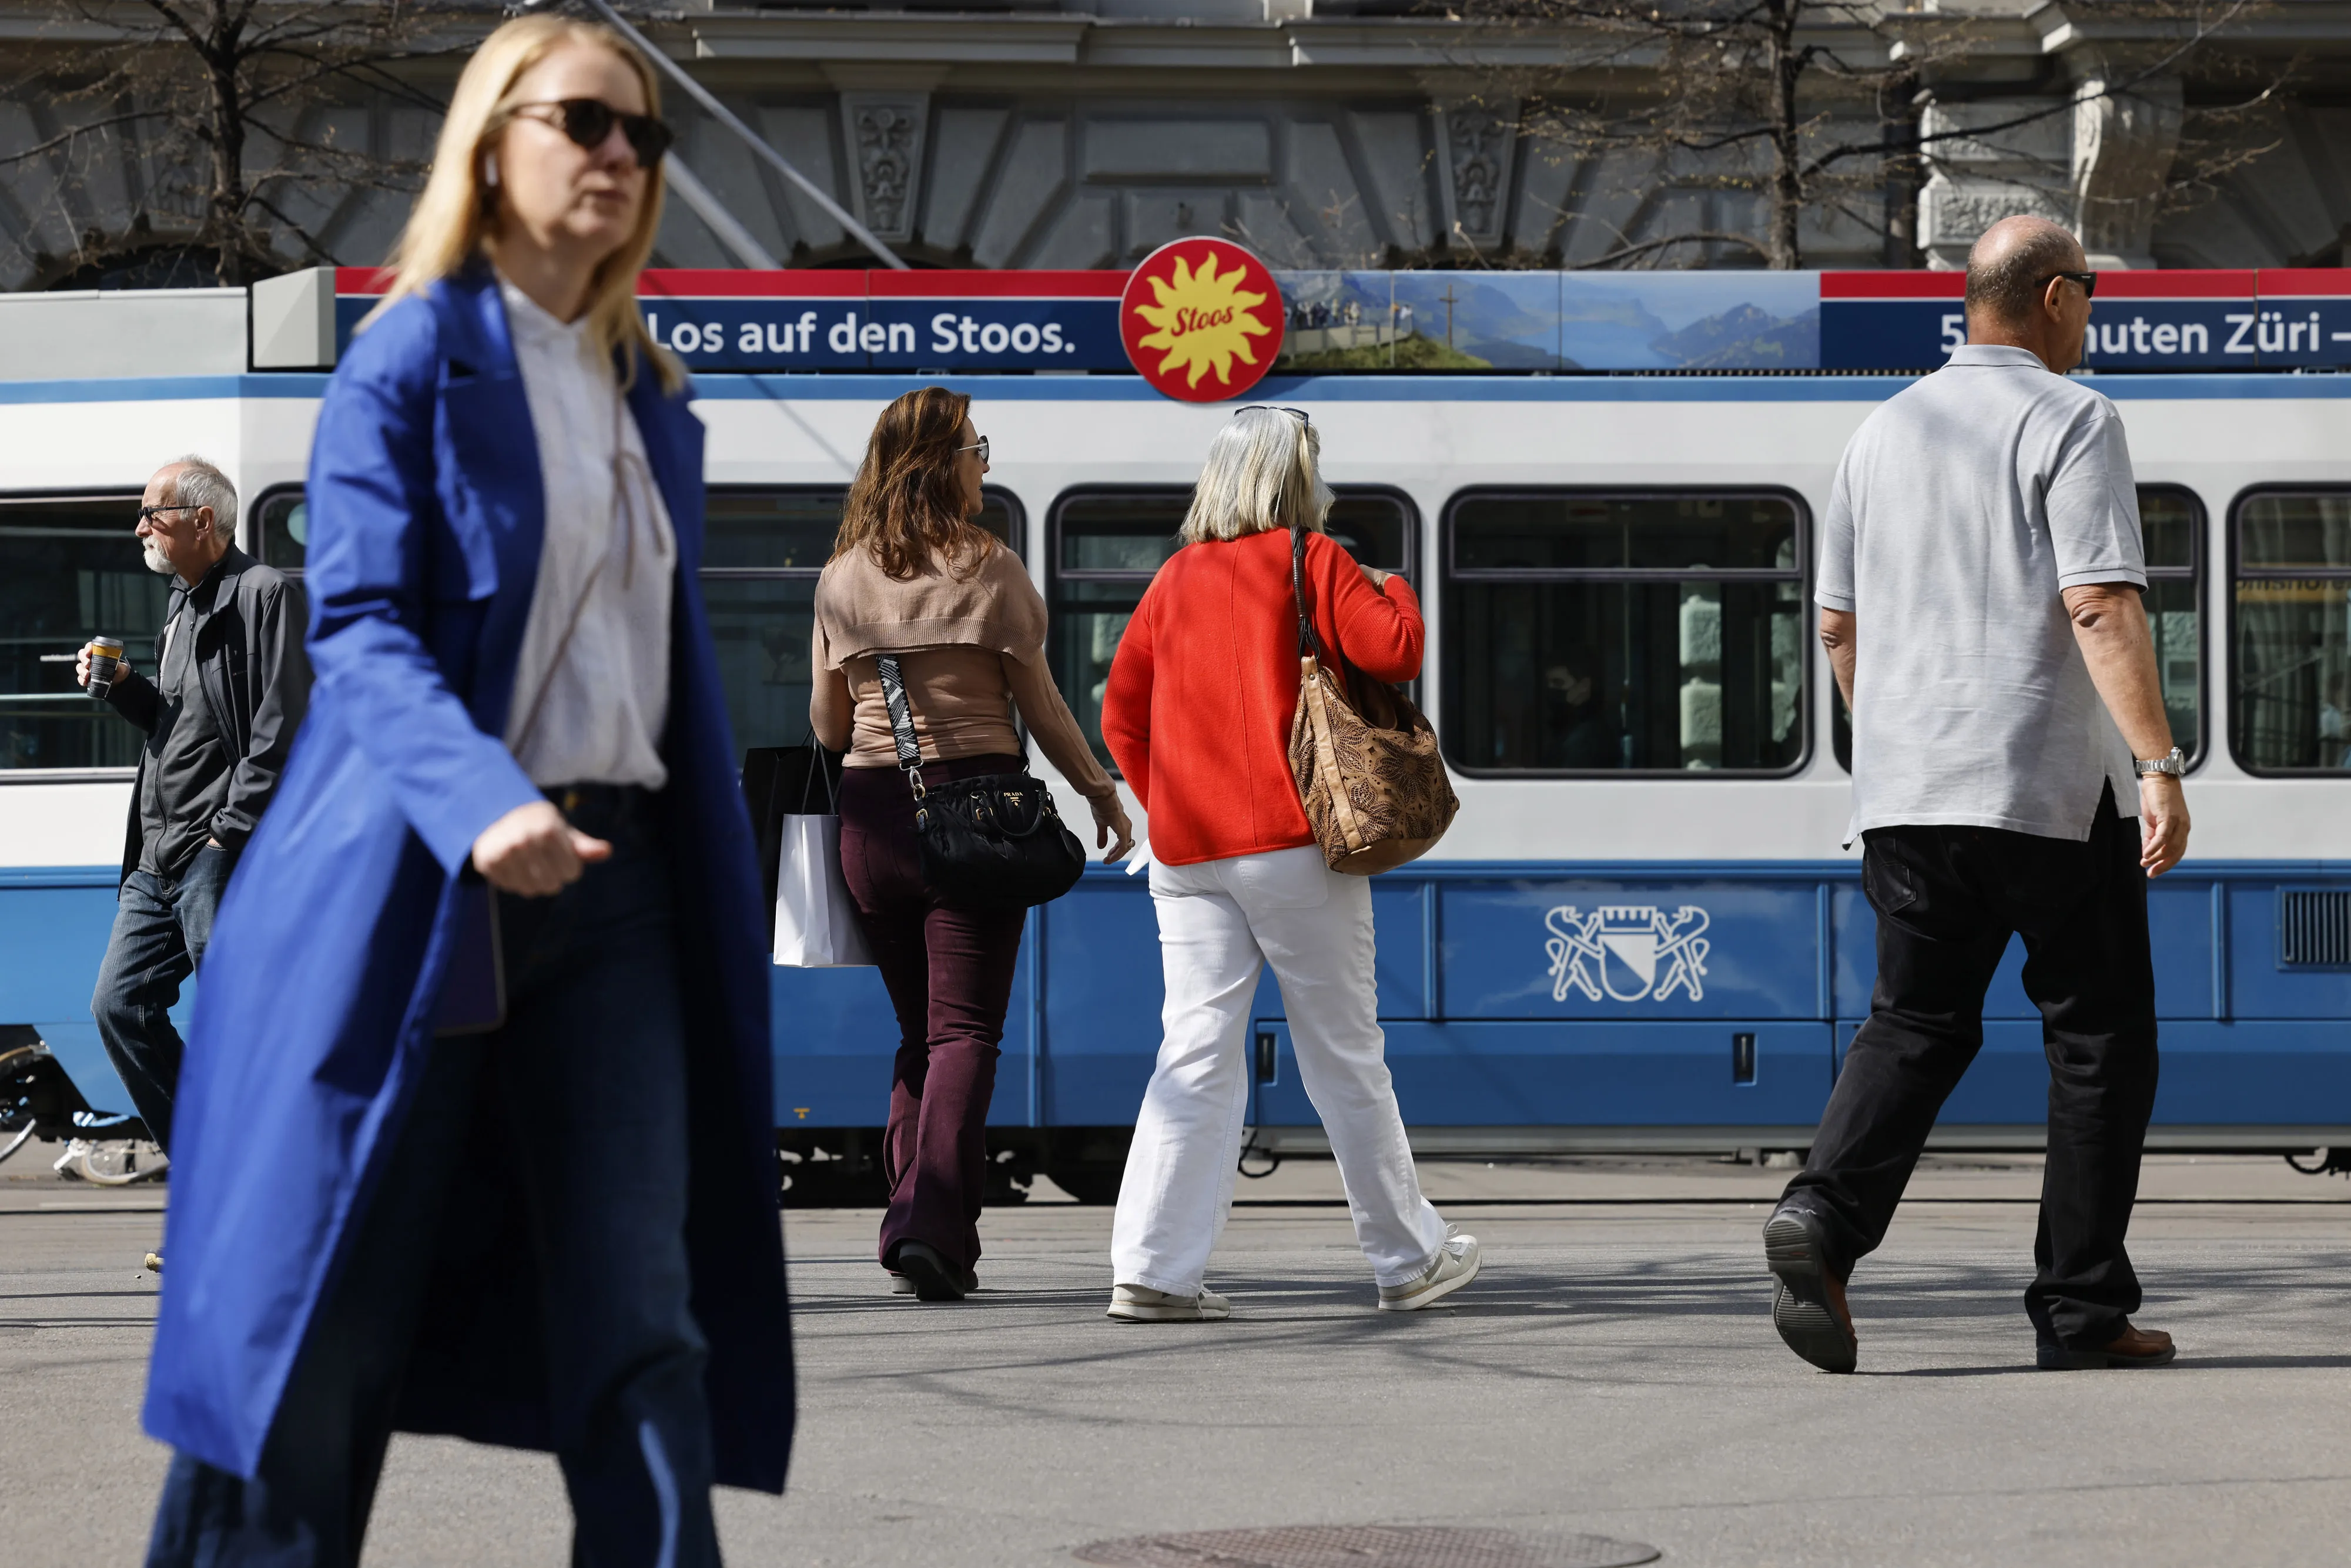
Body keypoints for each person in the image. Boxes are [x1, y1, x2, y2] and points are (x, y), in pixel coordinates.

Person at [138, 17, 791, 1565]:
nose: (621, 156)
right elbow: (359, 627)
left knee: (643, 1315)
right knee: (325, 1305)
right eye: (586, 122)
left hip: (618, 888)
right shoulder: (412, 355)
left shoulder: (648, 391)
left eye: (645, 134)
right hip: (416, 877)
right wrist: (481, 796)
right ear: (493, 146)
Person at [1763, 216, 2190, 1376]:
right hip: (2045, 791)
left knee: (1913, 1021)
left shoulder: (1880, 430)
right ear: (2055, 296)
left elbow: (1837, 627)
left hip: (1904, 794)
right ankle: (2080, 1307)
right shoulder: (2073, 416)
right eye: (2090, 292)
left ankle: (1820, 1217)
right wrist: (2158, 763)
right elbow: (2097, 602)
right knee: (2098, 1037)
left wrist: (1901, 739)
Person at [1097, 405, 1478, 1321]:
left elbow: (1120, 715)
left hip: (1186, 856)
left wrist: (1170, 804)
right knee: (1344, 1053)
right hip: (1290, 847)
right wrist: (1396, 586)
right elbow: (1398, 649)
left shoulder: (1174, 579)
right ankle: (1407, 1258)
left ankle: (1153, 1270)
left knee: (1192, 1053)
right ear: (1296, 477)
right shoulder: (1315, 559)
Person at [811, 386, 1132, 1303]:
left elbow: (828, 727)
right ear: (940, 463)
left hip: (870, 819)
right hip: (978, 815)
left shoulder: (841, 577)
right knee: (964, 1033)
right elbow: (1043, 706)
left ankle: (922, 1222)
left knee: (922, 1031)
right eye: (975, 448)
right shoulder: (989, 566)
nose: (984, 464)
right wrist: (1099, 791)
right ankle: (928, 1227)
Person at [77, 457, 306, 1178]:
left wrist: (227, 830)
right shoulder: (180, 601)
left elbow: (283, 726)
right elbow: (173, 724)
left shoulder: (264, 593)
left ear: (203, 520)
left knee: (239, 1017)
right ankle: (215, 1174)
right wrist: (123, 686)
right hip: (158, 852)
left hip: (218, 846)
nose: (141, 528)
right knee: (119, 1006)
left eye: (154, 513)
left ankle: (278, 1181)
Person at [1540, 651, 1618, 768]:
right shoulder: (1568, 728)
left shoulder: (1587, 739)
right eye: (1548, 684)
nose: (1551, 689)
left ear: (1584, 686)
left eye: (1558, 683)